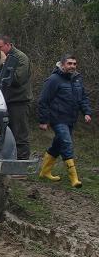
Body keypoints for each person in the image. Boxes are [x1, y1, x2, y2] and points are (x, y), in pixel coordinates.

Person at [37, 54, 92, 188]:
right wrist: (44, 120)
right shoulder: (54, 79)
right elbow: (43, 100)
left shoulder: (77, 80)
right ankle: (74, 178)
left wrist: (86, 112)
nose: (72, 66)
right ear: (62, 65)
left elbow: (83, 97)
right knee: (66, 143)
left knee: (58, 144)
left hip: (71, 119)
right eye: (69, 63)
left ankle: (44, 172)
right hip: (58, 118)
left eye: (74, 64)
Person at [0, 35, 33, 160]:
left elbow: (16, 79)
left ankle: (22, 162)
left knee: (20, 132)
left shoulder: (21, 58)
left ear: (8, 45)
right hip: (3, 100)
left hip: (18, 101)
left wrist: (4, 64)